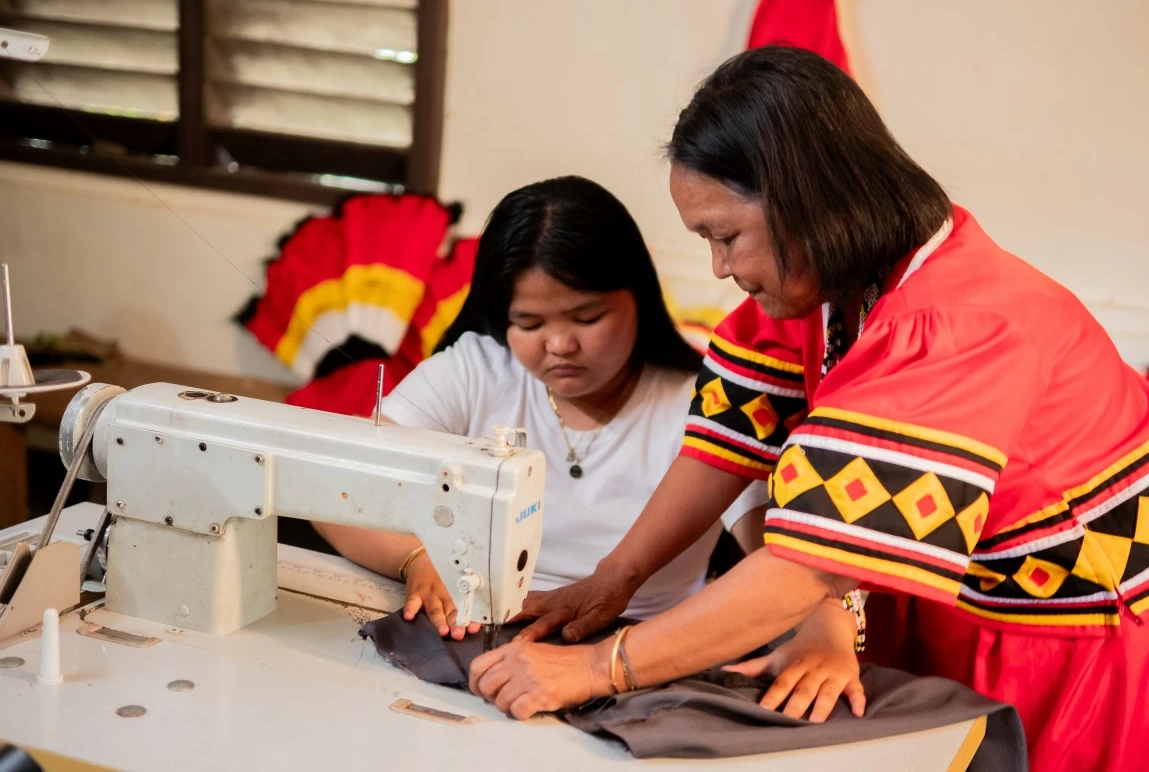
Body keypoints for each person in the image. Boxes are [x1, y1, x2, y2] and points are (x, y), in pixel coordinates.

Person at [466, 48, 1149, 772]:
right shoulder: (818, 283)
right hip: (962, 610)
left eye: (726, 236)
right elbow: (729, 443)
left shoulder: (959, 327)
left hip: (1079, 645)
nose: (719, 268)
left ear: (805, 202)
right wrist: (614, 577)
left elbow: (807, 569)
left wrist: (599, 670)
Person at [314, 175, 864, 716]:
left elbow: (789, 553)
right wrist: (414, 556)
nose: (559, 345)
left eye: (587, 317)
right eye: (527, 322)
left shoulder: (708, 401)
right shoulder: (475, 372)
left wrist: (828, 627)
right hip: (476, 627)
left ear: (639, 299)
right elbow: (333, 488)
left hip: (645, 653)